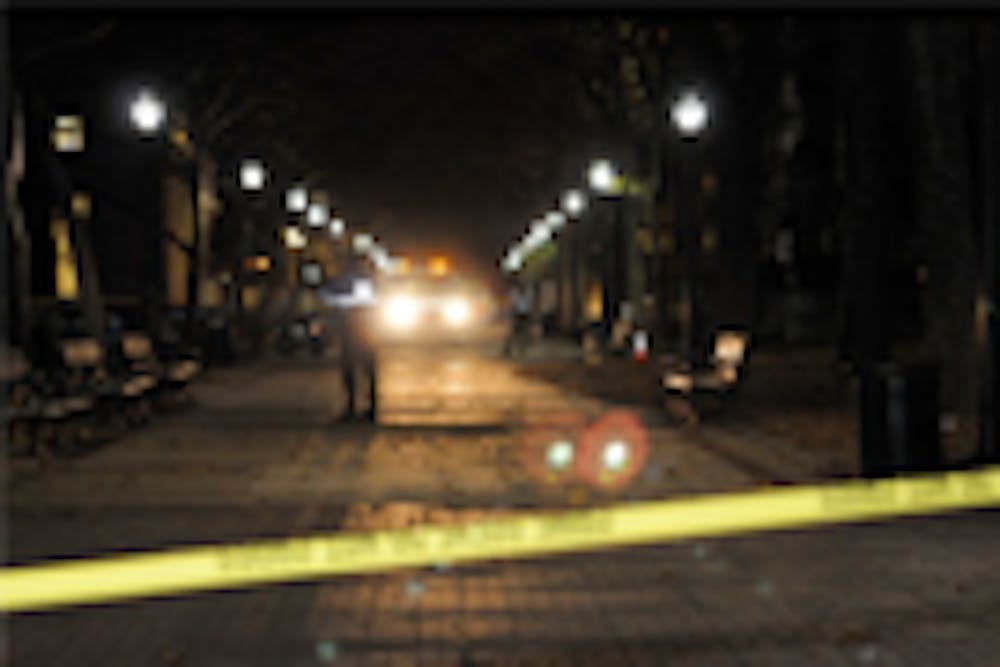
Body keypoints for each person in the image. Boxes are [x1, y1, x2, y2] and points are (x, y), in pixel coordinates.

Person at [326, 259, 378, 421]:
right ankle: (359, 406)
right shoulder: (364, 280)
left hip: (360, 332)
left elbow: (359, 301)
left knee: (360, 371)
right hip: (359, 332)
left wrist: (337, 300)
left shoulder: (363, 282)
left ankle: (364, 407)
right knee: (357, 371)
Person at [504, 279, 534, 357]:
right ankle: (508, 349)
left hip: (524, 316)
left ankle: (521, 349)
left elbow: (529, 307)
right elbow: (512, 307)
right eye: (521, 288)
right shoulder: (515, 296)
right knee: (514, 334)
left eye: (523, 288)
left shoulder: (526, 297)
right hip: (517, 316)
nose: (522, 290)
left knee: (523, 333)